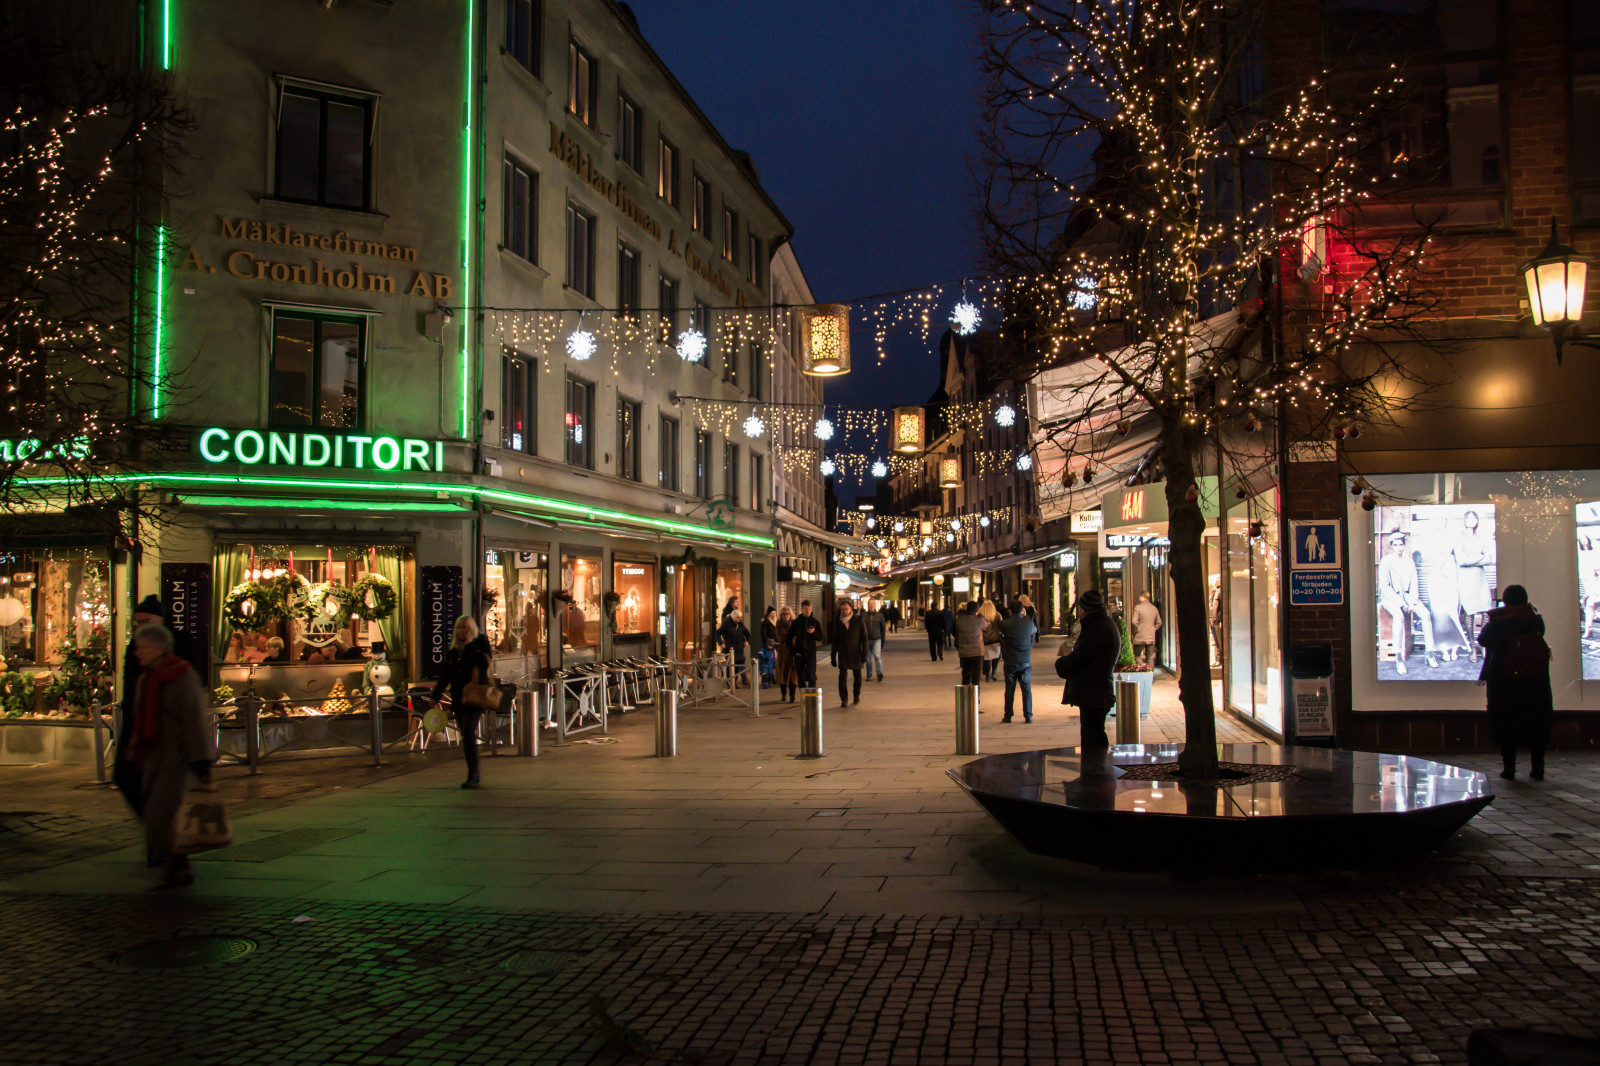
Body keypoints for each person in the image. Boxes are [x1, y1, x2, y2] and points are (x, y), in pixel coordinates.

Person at [122, 623, 215, 891]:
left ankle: (178, 864)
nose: (137, 652)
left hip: (176, 755)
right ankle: (174, 863)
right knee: (158, 812)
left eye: (142, 647)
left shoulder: (181, 675)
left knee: (161, 812)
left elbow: (194, 719)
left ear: (159, 647)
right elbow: (141, 718)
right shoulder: (148, 677)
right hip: (153, 754)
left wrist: (200, 759)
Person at [117, 596, 200, 817]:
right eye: (137, 622)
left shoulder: (181, 651)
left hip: (169, 738)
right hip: (143, 728)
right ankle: (157, 827)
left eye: (146, 621)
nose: (140, 626)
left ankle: (163, 829)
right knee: (127, 778)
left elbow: (192, 707)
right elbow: (131, 691)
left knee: (162, 795)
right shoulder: (136, 650)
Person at [1478, 585, 1553, 781]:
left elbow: (1483, 640)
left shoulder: (1498, 622)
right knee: (1536, 722)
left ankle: (1509, 768)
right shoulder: (1535, 620)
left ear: (1505, 601)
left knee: (1506, 722)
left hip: (1504, 680)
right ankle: (1538, 767)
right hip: (1535, 680)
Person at [429, 615, 493, 789]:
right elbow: (446, 675)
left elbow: (484, 664)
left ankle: (474, 773)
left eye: (465, 628)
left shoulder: (479, 643)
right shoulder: (453, 650)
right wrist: (436, 695)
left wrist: (470, 645)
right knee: (466, 735)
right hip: (459, 698)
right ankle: (473, 771)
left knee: (468, 731)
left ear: (471, 629)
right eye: (459, 628)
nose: (462, 631)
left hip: (475, 696)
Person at [1055, 590, 1120, 749]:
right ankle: (1096, 763)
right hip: (1094, 692)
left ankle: (1097, 764)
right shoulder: (1100, 625)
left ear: (1086, 610)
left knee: (1093, 737)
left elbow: (1081, 657)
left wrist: (1061, 664)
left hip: (1095, 692)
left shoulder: (1099, 628)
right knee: (1093, 734)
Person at [1378, 531, 1427, 674]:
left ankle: (1429, 653)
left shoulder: (1409, 561)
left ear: (1404, 545)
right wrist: (1402, 603)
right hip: (1390, 598)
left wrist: (1412, 602)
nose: (1398, 548)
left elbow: (1414, 584)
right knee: (1399, 617)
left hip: (1408, 598)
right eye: (1395, 545)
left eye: (1401, 545)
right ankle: (1399, 659)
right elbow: (1385, 587)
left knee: (1426, 615)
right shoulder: (1386, 561)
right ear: (1392, 546)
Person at [1458, 510, 1494, 661]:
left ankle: (1482, 644)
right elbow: (1461, 560)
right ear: (1464, 520)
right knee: (1469, 614)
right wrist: (1479, 557)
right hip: (1466, 580)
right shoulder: (1459, 538)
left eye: (1474, 517)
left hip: (1480, 579)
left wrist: (1471, 560)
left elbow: (1489, 559)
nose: (1472, 520)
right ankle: (1472, 647)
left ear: (1477, 521)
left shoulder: (1482, 538)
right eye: (1469, 517)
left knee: (1486, 611)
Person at [998, 602, 1039, 723]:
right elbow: (1034, 631)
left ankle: (1008, 715)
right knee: (1026, 688)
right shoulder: (1028, 623)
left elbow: (1000, 632)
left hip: (1010, 660)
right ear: (1022, 610)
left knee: (1009, 689)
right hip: (1025, 660)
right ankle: (1028, 715)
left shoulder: (1005, 624)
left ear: (1010, 611)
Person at [829, 599, 869, 706]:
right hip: (843, 653)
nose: (844, 612)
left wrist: (865, 652)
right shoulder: (837, 621)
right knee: (842, 676)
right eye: (842, 610)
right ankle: (844, 699)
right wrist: (833, 656)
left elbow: (864, 637)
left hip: (856, 652)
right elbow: (834, 640)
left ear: (851, 608)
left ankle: (856, 696)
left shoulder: (858, 620)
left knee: (857, 676)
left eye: (846, 609)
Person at [786, 600, 824, 692]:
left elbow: (820, 637)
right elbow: (789, 637)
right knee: (801, 678)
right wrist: (794, 652)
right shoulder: (797, 622)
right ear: (802, 609)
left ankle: (811, 696)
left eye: (809, 609)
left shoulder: (815, 622)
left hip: (811, 654)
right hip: (799, 654)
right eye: (806, 609)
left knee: (811, 676)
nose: (808, 611)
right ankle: (804, 697)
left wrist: (814, 633)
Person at [954, 601, 987, 687]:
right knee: (976, 678)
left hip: (964, 652)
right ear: (977, 610)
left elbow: (954, 631)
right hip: (977, 651)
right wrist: (981, 616)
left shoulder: (959, 620)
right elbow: (988, 627)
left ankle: (965, 694)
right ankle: (976, 695)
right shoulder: (980, 620)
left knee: (965, 675)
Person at [716, 609, 752, 688]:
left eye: (740, 617)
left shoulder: (740, 624)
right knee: (730, 667)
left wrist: (748, 641)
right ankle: (730, 683)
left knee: (737, 667)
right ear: (733, 617)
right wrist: (721, 643)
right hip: (730, 648)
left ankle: (735, 682)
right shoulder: (726, 624)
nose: (740, 619)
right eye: (738, 617)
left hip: (739, 648)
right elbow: (718, 633)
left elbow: (747, 633)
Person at [1131, 592, 1162, 670]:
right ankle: (1150, 673)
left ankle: (1143, 669)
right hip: (1150, 637)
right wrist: (1153, 629)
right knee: (1150, 658)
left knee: (1137, 655)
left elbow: (1134, 622)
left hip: (1139, 636)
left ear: (1141, 597)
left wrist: (1135, 631)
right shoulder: (1154, 608)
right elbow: (1159, 622)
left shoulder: (1138, 608)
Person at [775, 606, 799, 702]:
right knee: (783, 673)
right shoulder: (779, 624)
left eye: (787, 614)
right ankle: (784, 694)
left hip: (793, 651)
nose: (786, 616)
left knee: (793, 674)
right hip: (784, 651)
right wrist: (791, 636)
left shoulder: (794, 623)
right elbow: (782, 636)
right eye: (784, 614)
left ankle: (792, 695)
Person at [861, 597, 886, 682]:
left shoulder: (880, 616)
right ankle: (869, 674)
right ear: (867, 605)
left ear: (875, 605)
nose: (871, 606)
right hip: (866, 640)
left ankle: (879, 673)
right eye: (870, 604)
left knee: (877, 656)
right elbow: (861, 628)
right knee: (868, 659)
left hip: (877, 639)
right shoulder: (864, 616)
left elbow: (883, 629)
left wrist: (883, 640)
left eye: (872, 604)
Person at [978, 599, 1003, 682]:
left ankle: (988, 674)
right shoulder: (997, 615)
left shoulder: (980, 616)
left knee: (987, 658)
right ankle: (994, 672)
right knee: (996, 656)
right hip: (995, 639)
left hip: (984, 640)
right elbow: (1001, 626)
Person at [758, 606, 779, 688]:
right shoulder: (766, 623)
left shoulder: (777, 622)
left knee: (774, 663)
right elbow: (763, 634)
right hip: (768, 645)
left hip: (776, 644)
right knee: (766, 665)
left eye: (774, 613)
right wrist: (767, 641)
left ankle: (772, 677)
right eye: (772, 613)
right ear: (769, 614)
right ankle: (766, 680)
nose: (773, 615)